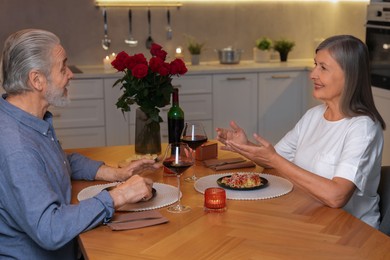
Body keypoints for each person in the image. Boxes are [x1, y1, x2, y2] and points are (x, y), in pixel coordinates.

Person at [0, 29, 161, 259]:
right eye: (63, 67)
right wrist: (118, 196)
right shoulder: (17, 147)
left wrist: (116, 173)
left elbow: (60, 162)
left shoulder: (26, 120)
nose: (70, 75)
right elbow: (50, 229)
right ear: (36, 80)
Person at [216, 35, 386, 228]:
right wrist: (245, 146)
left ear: (349, 75)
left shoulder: (362, 128)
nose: (313, 74)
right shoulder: (314, 115)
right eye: (315, 65)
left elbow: (336, 196)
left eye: (323, 67)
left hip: (351, 233)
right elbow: (275, 160)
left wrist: (274, 160)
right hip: (308, 216)